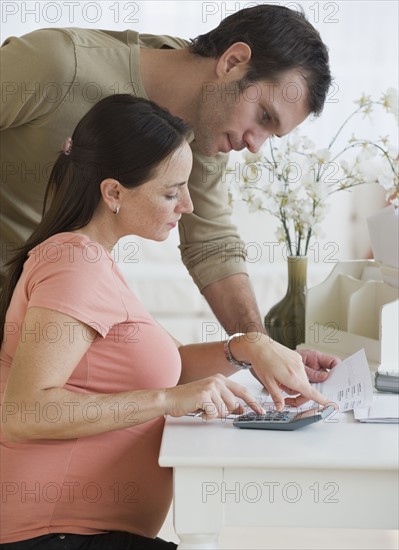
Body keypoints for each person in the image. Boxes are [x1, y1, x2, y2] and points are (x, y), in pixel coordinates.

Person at [0, 95, 331, 549]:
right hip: (56, 535)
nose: (188, 205)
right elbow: (25, 412)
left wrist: (249, 349)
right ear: (114, 192)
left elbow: (170, 363)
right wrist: (168, 400)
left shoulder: (91, 260)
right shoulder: (74, 263)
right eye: (172, 192)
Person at [0, 4, 337, 381]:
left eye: (271, 134)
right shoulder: (55, 64)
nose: (255, 145)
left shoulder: (207, 132)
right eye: (263, 116)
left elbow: (211, 243)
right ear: (233, 62)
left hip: (46, 330)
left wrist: (264, 350)